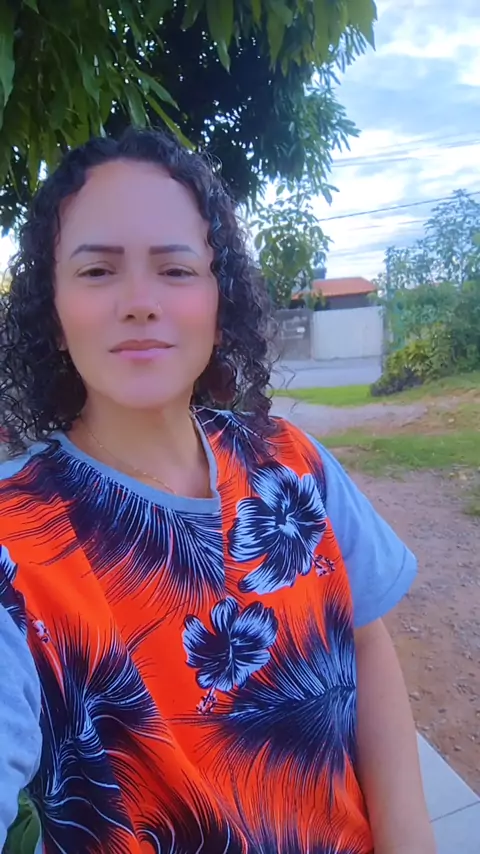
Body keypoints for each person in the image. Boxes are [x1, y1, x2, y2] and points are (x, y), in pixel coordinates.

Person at [0, 127, 435, 854]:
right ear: (53, 308)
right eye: (98, 271)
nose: (140, 302)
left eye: (175, 270)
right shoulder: (14, 540)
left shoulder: (292, 463)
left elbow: (364, 637)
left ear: (217, 297)